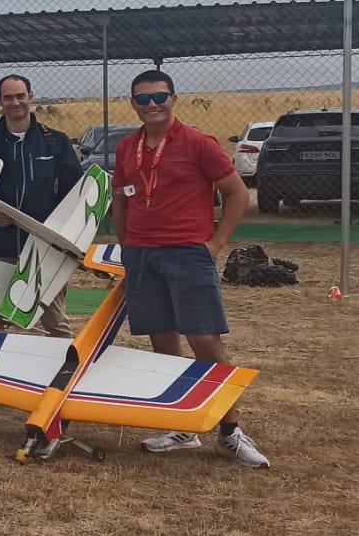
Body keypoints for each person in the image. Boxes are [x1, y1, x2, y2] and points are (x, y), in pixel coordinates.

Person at [111, 70, 269, 469]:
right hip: (143, 257)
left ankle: (230, 431)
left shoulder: (198, 143)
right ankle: (182, 426)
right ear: (133, 104)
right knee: (163, 343)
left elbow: (237, 193)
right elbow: (122, 200)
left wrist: (215, 243)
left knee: (206, 342)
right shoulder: (128, 148)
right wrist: (127, 245)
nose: (152, 105)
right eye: (143, 99)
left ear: (174, 98)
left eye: (159, 96)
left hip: (187, 254)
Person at [0, 74, 84, 339]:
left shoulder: (55, 141)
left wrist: (61, 235)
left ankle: (60, 376)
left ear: (31, 97)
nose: (15, 102)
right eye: (8, 97)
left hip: (45, 251)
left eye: (20, 96)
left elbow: (75, 193)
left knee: (55, 324)